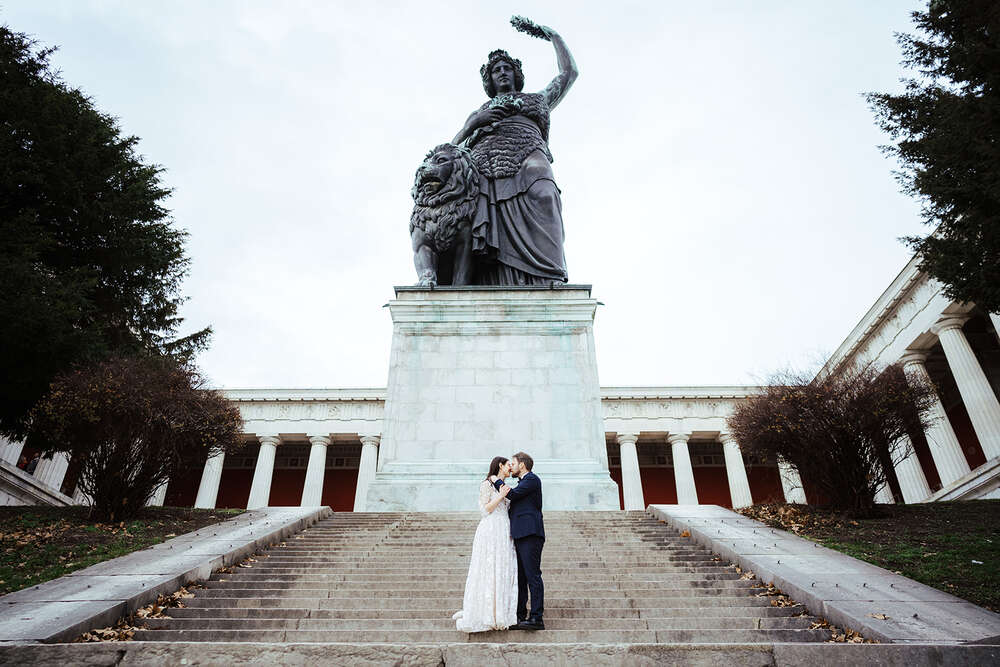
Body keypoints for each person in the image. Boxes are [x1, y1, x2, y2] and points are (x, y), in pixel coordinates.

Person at [452, 25, 578, 286]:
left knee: (545, 194)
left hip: (529, 152)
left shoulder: (537, 100)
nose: (502, 73)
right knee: (482, 217)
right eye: (496, 70)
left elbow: (569, 73)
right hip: (486, 165)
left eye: (506, 68)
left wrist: (551, 35)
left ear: (516, 73)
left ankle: (551, 274)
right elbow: (452, 151)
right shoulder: (480, 111)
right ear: (489, 79)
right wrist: (473, 124)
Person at [452, 456, 518, 632]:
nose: (510, 468)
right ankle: (484, 612)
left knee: (503, 568)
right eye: (508, 465)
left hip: (505, 529)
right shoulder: (487, 484)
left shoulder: (506, 487)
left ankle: (501, 613)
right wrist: (500, 497)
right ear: (500, 466)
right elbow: (484, 509)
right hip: (490, 528)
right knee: (488, 568)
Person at [493, 451, 544, 630]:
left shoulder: (532, 479)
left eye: (513, 463)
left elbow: (512, 495)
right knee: (521, 578)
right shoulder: (523, 482)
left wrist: (495, 479)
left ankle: (537, 617)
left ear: (522, 464)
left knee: (532, 576)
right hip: (520, 535)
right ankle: (519, 616)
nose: (511, 467)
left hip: (531, 534)